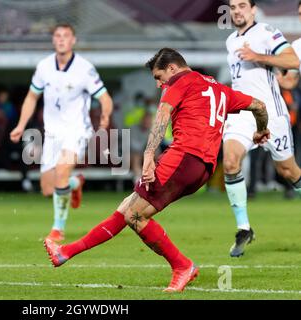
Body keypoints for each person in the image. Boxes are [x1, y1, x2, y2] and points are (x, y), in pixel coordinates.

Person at [44, 48, 269, 292]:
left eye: (159, 77)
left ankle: (183, 266)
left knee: (135, 216)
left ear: (172, 68)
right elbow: (258, 105)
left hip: (182, 158)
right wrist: (261, 130)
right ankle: (65, 252)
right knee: (126, 209)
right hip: (203, 167)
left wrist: (149, 156)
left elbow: (162, 115)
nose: (160, 84)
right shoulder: (219, 88)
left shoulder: (181, 81)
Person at [10, 23, 113, 242]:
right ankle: (76, 183)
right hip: (52, 134)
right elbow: (31, 97)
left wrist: (105, 116)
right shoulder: (44, 66)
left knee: (62, 171)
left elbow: (104, 97)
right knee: (48, 189)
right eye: (57, 35)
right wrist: (21, 125)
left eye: (66, 36)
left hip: (77, 131)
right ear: (53, 40)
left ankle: (58, 228)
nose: (61, 39)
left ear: (73, 40)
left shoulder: (85, 68)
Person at [223, 0, 301, 257]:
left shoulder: (266, 32)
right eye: (233, 6)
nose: (237, 11)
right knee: (230, 162)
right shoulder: (231, 42)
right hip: (243, 114)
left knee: (288, 171)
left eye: (242, 5)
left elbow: (292, 59)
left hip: (272, 114)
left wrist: (258, 57)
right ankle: (244, 228)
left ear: (253, 9)